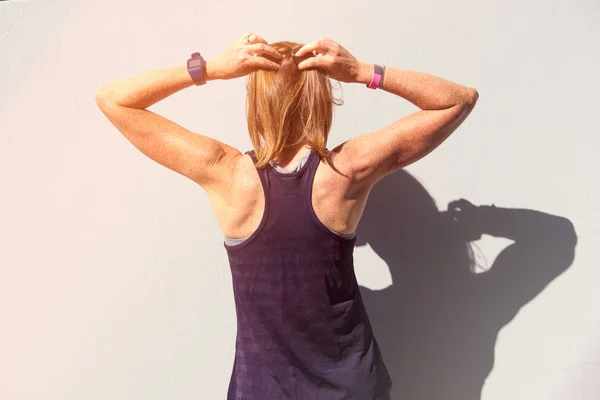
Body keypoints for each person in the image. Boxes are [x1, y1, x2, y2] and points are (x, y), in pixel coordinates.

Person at [95, 32, 478, 400]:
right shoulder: (347, 171)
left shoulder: (226, 173)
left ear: (255, 102)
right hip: (352, 391)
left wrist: (209, 68)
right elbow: (458, 100)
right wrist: (361, 71)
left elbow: (113, 99)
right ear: (322, 99)